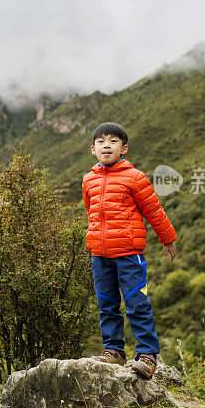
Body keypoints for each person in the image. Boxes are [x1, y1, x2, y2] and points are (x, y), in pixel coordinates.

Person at [81, 122, 177, 379]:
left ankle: (147, 355)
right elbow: (91, 211)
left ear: (124, 148)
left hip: (129, 254)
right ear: (93, 149)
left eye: (113, 142)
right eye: (101, 142)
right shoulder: (88, 180)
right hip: (99, 255)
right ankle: (114, 351)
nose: (106, 146)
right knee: (107, 304)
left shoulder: (135, 177)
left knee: (136, 303)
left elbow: (154, 211)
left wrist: (167, 238)